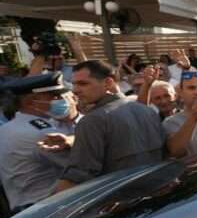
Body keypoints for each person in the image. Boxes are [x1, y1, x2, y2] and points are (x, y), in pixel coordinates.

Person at [55, 61, 165, 192]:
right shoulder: (147, 111)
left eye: (83, 84)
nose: (75, 90)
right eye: (74, 84)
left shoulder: (92, 120)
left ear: (108, 83)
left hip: (117, 201)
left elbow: (78, 176)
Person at [0, 74, 77, 213]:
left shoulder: (9, 127)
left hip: (25, 208)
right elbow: (81, 163)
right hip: (45, 209)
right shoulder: (40, 132)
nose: (61, 100)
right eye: (53, 96)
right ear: (30, 102)